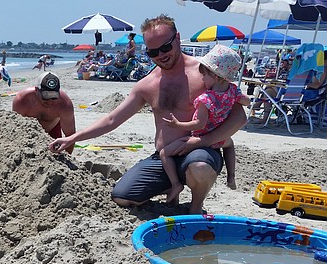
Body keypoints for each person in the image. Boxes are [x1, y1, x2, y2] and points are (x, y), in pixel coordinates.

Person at [48, 14, 247, 215]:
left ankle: (195, 208)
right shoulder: (147, 84)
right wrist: (72, 138)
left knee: (200, 167)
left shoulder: (206, 73)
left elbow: (239, 117)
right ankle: (171, 185)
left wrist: (202, 141)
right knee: (122, 195)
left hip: (200, 152)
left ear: (177, 39)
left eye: (165, 47)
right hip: (164, 157)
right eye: (153, 52)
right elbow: (112, 119)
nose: (161, 55)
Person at [161, 45, 250, 195]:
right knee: (230, 144)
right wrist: (238, 100)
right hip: (220, 139)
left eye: (205, 75)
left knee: (164, 153)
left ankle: (175, 184)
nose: (202, 78)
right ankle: (231, 177)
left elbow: (199, 124)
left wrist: (178, 124)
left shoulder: (206, 99)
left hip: (199, 137)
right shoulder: (233, 91)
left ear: (215, 76)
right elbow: (246, 101)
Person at [12, 72, 76, 141]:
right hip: (28, 133)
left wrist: (67, 152)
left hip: (53, 129)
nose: (50, 101)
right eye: (46, 96)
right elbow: (16, 129)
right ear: (36, 90)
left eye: (53, 97)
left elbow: (70, 136)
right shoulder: (22, 101)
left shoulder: (64, 105)